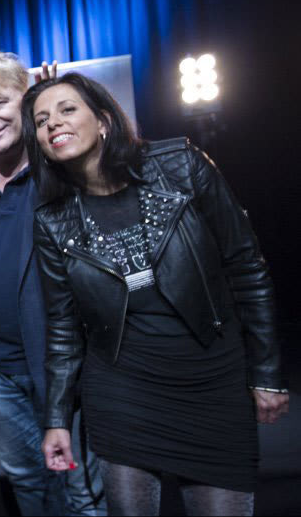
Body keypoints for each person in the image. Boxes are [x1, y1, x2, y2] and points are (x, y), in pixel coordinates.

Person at [24, 72, 289, 516]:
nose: (53, 123)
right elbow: (64, 329)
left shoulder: (180, 165)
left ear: (104, 121)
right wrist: (56, 419)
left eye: (67, 109)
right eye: (41, 120)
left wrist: (266, 372)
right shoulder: (52, 221)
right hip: (122, 389)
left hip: (212, 380)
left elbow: (247, 268)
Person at [0, 52, 104, 516]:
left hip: (65, 366)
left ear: (26, 99)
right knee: (27, 481)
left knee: (82, 489)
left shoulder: (61, 161)